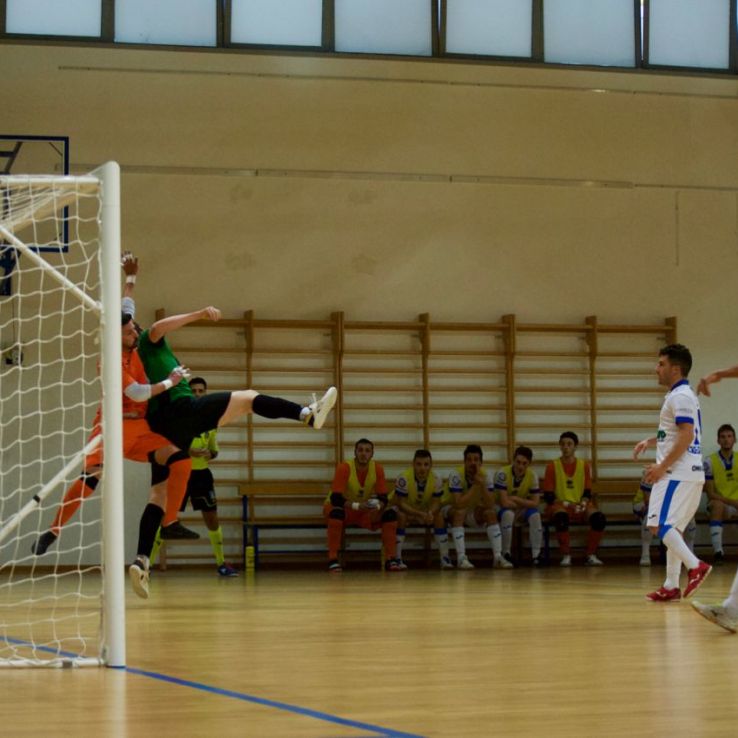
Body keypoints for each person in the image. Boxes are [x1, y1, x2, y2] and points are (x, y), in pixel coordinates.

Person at [633, 343, 711, 603]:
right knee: (673, 529)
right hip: (688, 473)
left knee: (658, 525)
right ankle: (671, 585)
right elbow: (678, 432)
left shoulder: (680, 397)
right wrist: (651, 441)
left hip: (677, 473)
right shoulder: (680, 395)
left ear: (675, 369)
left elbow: (687, 436)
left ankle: (696, 566)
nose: (656, 369)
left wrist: (661, 467)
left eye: (661, 364)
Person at [153, 377, 238, 576]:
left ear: (205, 393)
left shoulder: (210, 421)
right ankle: (146, 565)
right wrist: (186, 451)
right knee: (167, 518)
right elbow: (165, 447)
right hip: (180, 473)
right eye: (194, 391)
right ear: (188, 394)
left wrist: (211, 454)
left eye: (201, 391)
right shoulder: (178, 418)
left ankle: (221, 563)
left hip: (202, 475)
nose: (198, 394)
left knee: (212, 517)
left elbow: (214, 450)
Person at [688, 365, 738, 631]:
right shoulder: (711, 461)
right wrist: (716, 376)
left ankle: (731, 609)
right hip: (722, 502)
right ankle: (731, 609)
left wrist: (716, 376)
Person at [324, 438, 400, 572]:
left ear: (372, 454)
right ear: (355, 452)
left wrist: (377, 506)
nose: (363, 454)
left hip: (363, 510)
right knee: (336, 513)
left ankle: (391, 558)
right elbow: (336, 499)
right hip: (341, 508)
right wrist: (357, 506)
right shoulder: (344, 467)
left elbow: (383, 498)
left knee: (389, 515)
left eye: (367, 451)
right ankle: (332, 559)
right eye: (360, 450)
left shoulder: (377, 469)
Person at [541, 432, 606, 566]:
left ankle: (590, 554)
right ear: (560, 446)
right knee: (561, 518)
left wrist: (583, 503)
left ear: (575, 447)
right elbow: (549, 496)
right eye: (563, 444)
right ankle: (566, 555)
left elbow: (587, 492)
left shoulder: (584, 465)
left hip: (579, 505)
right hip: (560, 505)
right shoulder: (552, 466)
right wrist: (567, 504)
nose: (566, 447)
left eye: (569, 444)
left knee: (599, 518)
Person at [444, 444, 511, 570]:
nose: (472, 463)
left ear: (481, 463)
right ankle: (461, 558)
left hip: (472, 510)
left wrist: (482, 485)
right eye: (469, 460)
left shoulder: (486, 476)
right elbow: (458, 503)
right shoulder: (456, 474)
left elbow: (490, 504)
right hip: (450, 508)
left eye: (476, 460)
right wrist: (475, 485)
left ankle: (497, 557)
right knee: (460, 512)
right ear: (464, 462)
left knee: (490, 513)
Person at [390, 449, 451, 570]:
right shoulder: (404, 478)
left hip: (422, 510)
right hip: (402, 509)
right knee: (401, 516)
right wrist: (420, 514)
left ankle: (445, 558)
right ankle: (397, 558)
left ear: (431, 465)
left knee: (438, 516)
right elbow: (401, 503)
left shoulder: (436, 478)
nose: (422, 468)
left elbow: (436, 503)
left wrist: (429, 514)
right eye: (419, 464)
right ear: (413, 464)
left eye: (426, 464)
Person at [494, 446, 543, 566]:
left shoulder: (532, 476)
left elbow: (536, 503)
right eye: (518, 462)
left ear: (529, 463)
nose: (520, 466)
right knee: (508, 514)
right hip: (500, 508)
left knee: (535, 515)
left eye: (524, 463)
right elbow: (504, 502)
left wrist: (515, 499)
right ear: (513, 460)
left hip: (518, 506)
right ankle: (506, 553)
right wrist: (523, 503)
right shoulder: (502, 473)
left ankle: (536, 555)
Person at [634, 474, 696, 567]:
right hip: (644, 503)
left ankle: (690, 553)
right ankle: (645, 554)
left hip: (671, 505)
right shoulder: (651, 472)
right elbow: (648, 500)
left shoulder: (681, 473)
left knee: (690, 518)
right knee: (650, 518)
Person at [703, 423, 738, 566]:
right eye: (723, 437)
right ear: (718, 440)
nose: (726, 440)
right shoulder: (709, 461)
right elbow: (710, 493)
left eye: (729, 436)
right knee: (717, 505)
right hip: (720, 504)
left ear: (735, 439)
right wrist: (733, 502)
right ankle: (718, 552)